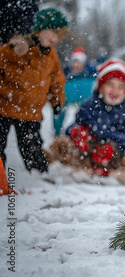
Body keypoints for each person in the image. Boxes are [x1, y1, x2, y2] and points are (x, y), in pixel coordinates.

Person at [0, 8, 68, 174]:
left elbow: (57, 80)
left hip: (31, 112)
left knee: (32, 147)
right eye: (53, 33)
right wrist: (14, 48)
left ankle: (40, 177)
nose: (55, 39)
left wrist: (57, 100)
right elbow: (3, 60)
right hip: (5, 106)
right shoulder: (19, 47)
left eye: (59, 35)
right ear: (40, 29)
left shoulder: (52, 55)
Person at [64, 59, 125, 177]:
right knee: (65, 145)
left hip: (118, 147)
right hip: (91, 144)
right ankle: (87, 165)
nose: (115, 91)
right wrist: (75, 131)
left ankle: (111, 168)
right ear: (101, 87)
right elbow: (77, 123)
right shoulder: (91, 104)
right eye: (110, 85)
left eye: (120, 87)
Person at [53, 47, 97, 136]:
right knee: (59, 112)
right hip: (68, 98)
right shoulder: (66, 73)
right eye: (74, 62)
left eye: (79, 62)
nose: (76, 65)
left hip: (84, 99)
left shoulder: (89, 73)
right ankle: (58, 133)